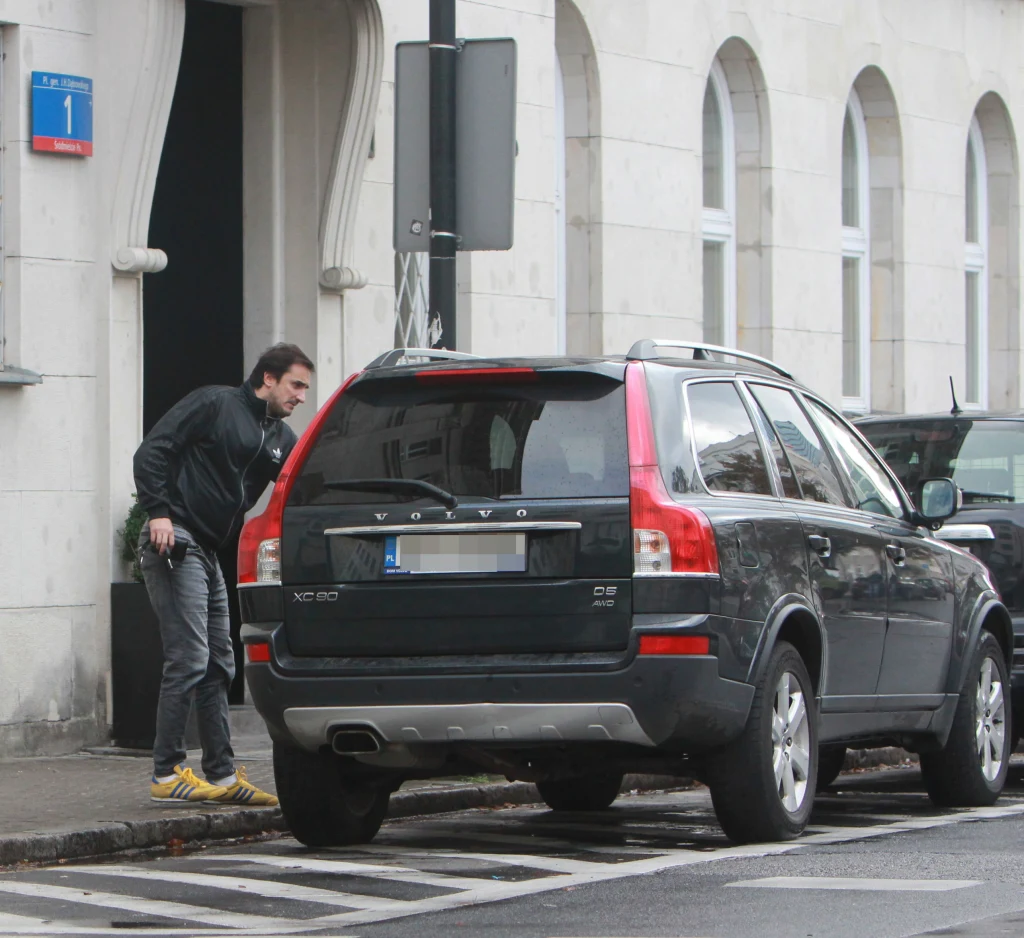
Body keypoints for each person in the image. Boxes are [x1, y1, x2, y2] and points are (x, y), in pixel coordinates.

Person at [133, 343, 314, 805]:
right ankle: (167, 771)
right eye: (296, 385)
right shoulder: (216, 403)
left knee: (219, 666)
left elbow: (303, 488)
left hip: (209, 551)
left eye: (306, 389)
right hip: (175, 540)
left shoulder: (280, 439)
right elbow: (152, 451)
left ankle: (222, 776)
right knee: (190, 658)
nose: (301, 397)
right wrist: (158, 513)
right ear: (268, 378)